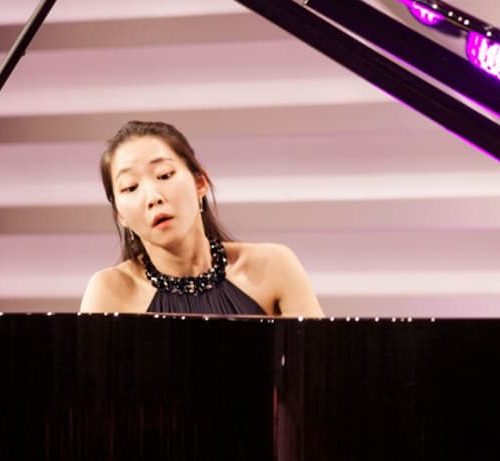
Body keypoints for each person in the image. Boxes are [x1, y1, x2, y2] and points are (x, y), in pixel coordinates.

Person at [79, 120, 324, 317]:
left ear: (200, 182)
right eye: (130, 187)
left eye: (164, 175)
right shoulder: (110, 291)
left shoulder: (273, 266)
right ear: (120, 215)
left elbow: (318, 371)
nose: (152, 197)